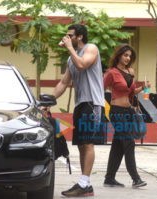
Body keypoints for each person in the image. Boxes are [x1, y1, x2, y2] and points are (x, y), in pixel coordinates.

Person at [52, 24, 104, 197]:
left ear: (79, 37)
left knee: (88, 143)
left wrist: (68, 48)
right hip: (80, 105)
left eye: (70, 35)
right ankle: (85, 184)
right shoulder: (70, 59)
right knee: (81, 144)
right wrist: (49, 101)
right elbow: (64, 83)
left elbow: (82, 65)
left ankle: (84, 182)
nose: (67, 38)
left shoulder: (91, 49)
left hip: (93, 104)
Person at [103, 43, 150, 188]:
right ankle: (136, 178)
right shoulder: (111, 73)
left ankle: (109, 178)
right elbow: (99, 89)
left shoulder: (131, 72)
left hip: (128, 112)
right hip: (117, 112)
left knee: (118, 145)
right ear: (119, 55)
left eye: (130, 56)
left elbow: (130, 93)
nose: (128, 58)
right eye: (125, 55)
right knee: (129, 142)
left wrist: (143, 88)